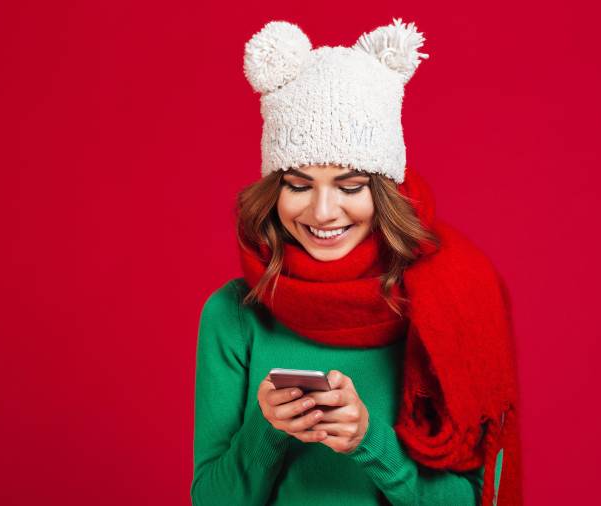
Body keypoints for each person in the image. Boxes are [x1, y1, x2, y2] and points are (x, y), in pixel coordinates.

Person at [191, 18, 523, 506]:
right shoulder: (233, 314)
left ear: (384, 192)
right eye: (298, 186)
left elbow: (474, 499)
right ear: (273, 191)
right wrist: (269, 427)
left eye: (350, 187)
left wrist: (371, 442)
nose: (323, 213)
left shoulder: (447, 303)